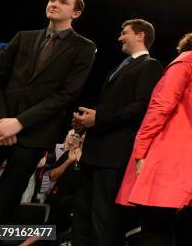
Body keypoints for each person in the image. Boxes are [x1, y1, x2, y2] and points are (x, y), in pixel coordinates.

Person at [0, 0, 96, 224]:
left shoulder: (84, 48)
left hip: (34, 134)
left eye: (63, 2)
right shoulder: (23, 37)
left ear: (75, 13)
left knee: (5, 202)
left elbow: (66, 94)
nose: (54, 3)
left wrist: (19, 123)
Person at [115, 30, 192, 246]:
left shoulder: (183, 66)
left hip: (165, 161)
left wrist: (140, 150)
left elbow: (159, 108)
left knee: (153, 229)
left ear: (185, 48)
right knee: (169, 228)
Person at [72, 19, 163, 246]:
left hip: (113, 155)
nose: (120, 37)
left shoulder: (150, 65)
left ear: (140, 35)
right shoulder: (120, 66)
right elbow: (113, 106)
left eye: (124, 33)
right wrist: (87, 121)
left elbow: (141, 107)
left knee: (104, 220)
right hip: (93, 152)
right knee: (82, 217)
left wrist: (99, 118)